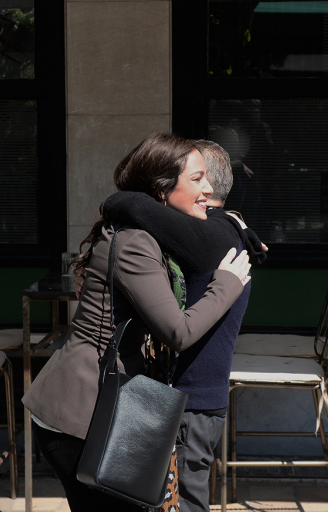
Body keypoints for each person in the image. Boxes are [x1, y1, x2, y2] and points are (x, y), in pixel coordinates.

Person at [21, 132, 252, 512]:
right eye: (197, 179)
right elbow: (178, 332)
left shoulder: (147, 234)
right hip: (79, 413)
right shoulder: (135, 244)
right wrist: (225, 287)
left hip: (107, 406)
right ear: (162, 189)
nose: (208, 189)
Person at [101, 140, 257, 512]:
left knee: (182, 504)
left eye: (199, 176)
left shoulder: (213, 235)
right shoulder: (219, 230)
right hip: (171, 395)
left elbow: (134, 205)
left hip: (189, 400)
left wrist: (114, 202)